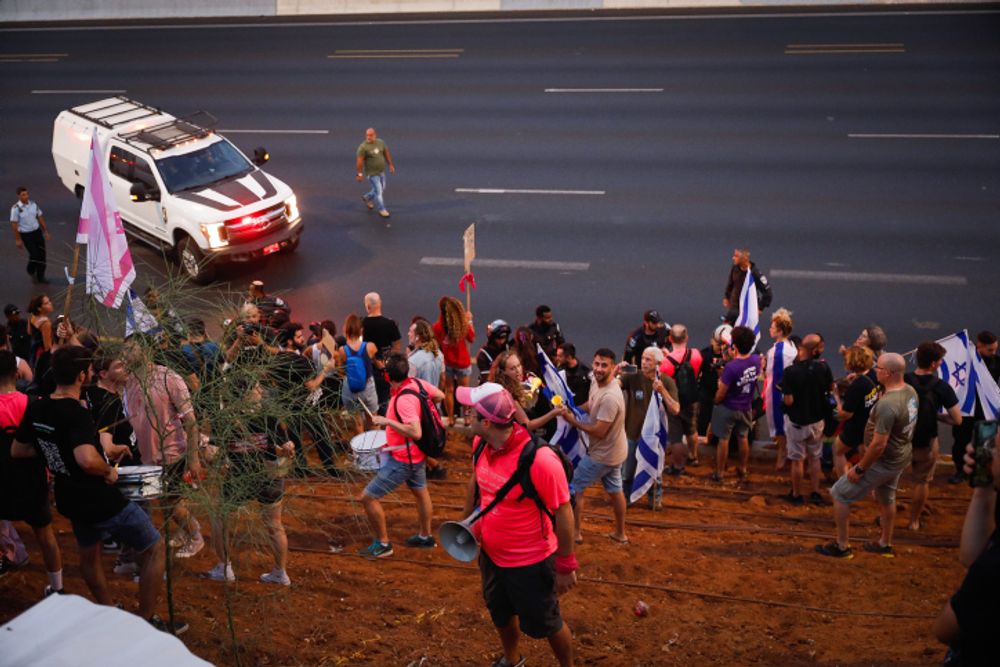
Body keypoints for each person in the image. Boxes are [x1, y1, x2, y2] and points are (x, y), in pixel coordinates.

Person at [11, 346, 183, 633]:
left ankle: (106, 612)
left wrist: (55, 454)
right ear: (82, 375)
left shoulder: (37, 406)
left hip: (69, 497)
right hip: (99, 498)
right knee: (154, 548)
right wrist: (108, 471)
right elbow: (87, 459)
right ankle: (146, 623)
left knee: (89, 555)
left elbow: (20, 449)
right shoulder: (74, 412)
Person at [458, 383, 576, 667]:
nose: (464, 414)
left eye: (470, 412)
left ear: (486, 421)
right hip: (491, 556)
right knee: (500, 613)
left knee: (547, 622)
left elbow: (564, 511)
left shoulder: (541, 461)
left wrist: (566, 564)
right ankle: (511, 660)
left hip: (530, 563)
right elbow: (477, 484)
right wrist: (466, 523)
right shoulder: (480, 445)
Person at [816, 353, 917, 559]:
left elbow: (879, 444)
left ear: (888, 373)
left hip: (882, 461)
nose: (875, 370)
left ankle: (842, 546)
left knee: (839, 494)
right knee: (887, 498)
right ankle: (884, 543)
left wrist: (860, 468)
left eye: (878, 368)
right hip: (900, 456)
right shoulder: (909, 391)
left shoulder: (887, 405)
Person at [122, 335, 205, 559]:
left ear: (147, 351)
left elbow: (190, 421)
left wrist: (193, 458)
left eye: (131, 349)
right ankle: (182, 532)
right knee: (161, 500)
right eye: (125, 349)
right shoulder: (128, 381)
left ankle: (195, 536)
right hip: (144, 454)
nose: (126, 354)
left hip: (171, 453)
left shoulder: (169, 378)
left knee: (169, 501)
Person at [205, 382, 296, 586]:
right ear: (244, 394)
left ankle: (225, 567)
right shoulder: (267, 416)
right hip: (263, 475)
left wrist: (289, 448)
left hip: (245, 476)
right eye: (255, 388)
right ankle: (280, 573)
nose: (261, 391)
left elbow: (285, 446)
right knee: (274, 525)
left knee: (221, 517)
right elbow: (213, 450)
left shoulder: (226, 418)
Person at [361, 352, 445, 558]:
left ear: (388, 377)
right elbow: (440, 396)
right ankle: (425, 536)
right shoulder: (418, 384)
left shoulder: (404, 400)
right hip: (418, 455)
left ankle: (383, 544)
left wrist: (387, 422)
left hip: (404, 460)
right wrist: (424, 408)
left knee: (368, 497)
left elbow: (415, 432)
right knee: (420, 492)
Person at [932, 435, 1000, 665]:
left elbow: (944, 630)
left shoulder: (991, 572)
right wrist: (984, 490)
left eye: (996, 450)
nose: (989, 457)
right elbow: (970, 556)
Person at [0, 350, 63, 594]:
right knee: (45, 535)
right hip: (31, 481)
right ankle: (57, 589)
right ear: (16, 374)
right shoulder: (34, 404)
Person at [563, 348, 629, 545]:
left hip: (603, 455)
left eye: (604, 365)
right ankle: (620, 533)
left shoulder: (610, 398)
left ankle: (575, 533)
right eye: (597, 364)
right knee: (615, 490)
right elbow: (591, 405)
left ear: (612, 368)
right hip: (616, 451)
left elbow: (599, 431)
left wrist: (572, 420)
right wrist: (574, 409)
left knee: (574, 487)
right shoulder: (595, 381)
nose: (599, 369)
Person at [903, 342, 961, 530]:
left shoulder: (903, 380)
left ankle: (886, 515)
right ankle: (914, 521)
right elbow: (957, 420)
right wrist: (937, 415)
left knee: (891, 478)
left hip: (901, 440)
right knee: (922, 481)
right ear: (934, 364)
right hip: (926, 442)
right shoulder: (942, 388)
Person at [778, 334, 836, 506]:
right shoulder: (824, 368)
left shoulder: (791, 372)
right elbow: (830, 389)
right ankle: (815, 492)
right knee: (815, 458)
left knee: (797, 460)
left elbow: (788, 401)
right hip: (817, 421)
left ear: (802, 349)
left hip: (797, 422)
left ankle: (796, 494)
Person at [620, 346, 680, 509]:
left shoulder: (666, 381)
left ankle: (655, 499)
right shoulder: (632, 374)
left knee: (655, 472)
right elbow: (615, 385)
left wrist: (662, 391)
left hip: (654, 436)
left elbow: (675, 409)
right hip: (632, 433)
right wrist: (616, 371)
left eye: (648, 360)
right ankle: (626, 498)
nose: (643, 363)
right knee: (627, 472)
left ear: (658, 363)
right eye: (643, 359)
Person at [711, 325, 761, 484]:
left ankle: (719, 473)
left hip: (728, 407)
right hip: (746, 406)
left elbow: (721, 392)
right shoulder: (756, 360)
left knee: (724, 440)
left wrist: (716, 400)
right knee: (743, 437)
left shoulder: (731, 368)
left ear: (735, 346)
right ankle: (743, 468)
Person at [948, 330, 999, 483]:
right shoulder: (965, 361)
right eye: (990, 350)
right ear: (979, 346)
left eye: (995, 349)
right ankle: (960, 470)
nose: (993, 352)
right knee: (960, 442)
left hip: (986, 412)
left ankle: (982, 471)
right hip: (966, 409)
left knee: (986, 443)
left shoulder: (997, 362)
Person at [658, 324, 702, 475]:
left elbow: (664, 381)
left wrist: (666, 356)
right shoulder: (696, 354)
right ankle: (693, 456)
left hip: (675, 400)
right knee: (692, 429)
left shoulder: (665, 362)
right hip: (692, 398)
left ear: (670, 339)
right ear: (686, 338)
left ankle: (677, 466)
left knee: (676, 436)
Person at [488, 350, 561, 438]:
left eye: (519, 366)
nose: (518, 371)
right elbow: (527, 425)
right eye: (512, 368)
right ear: (504, 372)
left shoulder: (523, 381)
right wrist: (553, 413)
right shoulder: (508, 395)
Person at [832, 345, 878, 478]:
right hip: (870, 422)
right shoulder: (873, 375)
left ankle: (843, 486)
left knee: (838, 450)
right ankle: (869, 486)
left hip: (856, 426)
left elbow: (845, 414)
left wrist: (836, 398)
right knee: (865, 454)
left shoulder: (857, 386)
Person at [763, 309, 797, 471]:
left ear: (780, 331)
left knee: (780, 423)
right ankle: (782, 446)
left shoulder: (779, 352)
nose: (770, 329)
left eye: (773, 327)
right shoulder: (789, 346)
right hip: (785, 391)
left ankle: (783, 450)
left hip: (778, 394)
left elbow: (777, 380)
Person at [433, 296, 474, 427]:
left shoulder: (437, 327)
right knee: (465, 390)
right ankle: (467, 418)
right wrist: (469, 322)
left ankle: (451, 417)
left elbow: (437, 343)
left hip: (448, 363)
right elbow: (472, 338)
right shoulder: (462, 325)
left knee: (449, 390)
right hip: (462, 363)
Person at [362, 292, 402, 414]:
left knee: (368, 406)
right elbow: (397, 346)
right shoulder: (390, 324)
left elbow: (359, 348)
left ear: (367, 306)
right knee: (384, 402)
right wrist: (386, 361)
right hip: (385, 369)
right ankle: (386, 430)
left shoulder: (362, 324)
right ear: (380, 304)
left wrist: (374, 360)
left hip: (366, 369)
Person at [9, 187, 50, 284]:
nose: (26, 196)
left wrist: (45, 231)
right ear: (18, 196)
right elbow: (14, 224)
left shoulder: (33, 204)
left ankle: (41, 277)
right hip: (26, 235)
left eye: (27, 194)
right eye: (23, 195)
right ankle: (30, 269)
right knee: (34, 255)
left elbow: (40, 217)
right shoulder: (15, 209)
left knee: (42, 256)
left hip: (37, 232)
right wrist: (17, 239)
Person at [722, 247, 772, 324]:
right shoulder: (735, 268)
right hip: (734, 308)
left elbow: (768, 293)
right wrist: (727, 296)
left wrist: (760, 308)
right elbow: (730, 283)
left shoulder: (755, 274)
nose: (733, 258)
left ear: (744, 258)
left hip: (748, 311)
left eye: (736, 256)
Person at [356, 127, 395, 218]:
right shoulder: (363, 147)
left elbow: (386, 153)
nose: (368, 137)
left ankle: (367, 197)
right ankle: (382, 209)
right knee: (379, 192)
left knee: (382, 188)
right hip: (372, 174)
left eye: (370, 135)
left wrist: (390, 165)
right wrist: (359, 174)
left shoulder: (380, 142)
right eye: (367, 135)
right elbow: (359, 162)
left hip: (381, 171)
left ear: (375, 135)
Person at [407, 318, 444, 389]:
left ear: (417, 337)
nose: (408, 334)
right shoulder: (439, 354)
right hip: (434, 397)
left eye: (410, 331)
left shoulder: (413, 360)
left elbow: (409, 386)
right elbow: (442, 379)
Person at [556, 343, 590, 407]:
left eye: (560, 356)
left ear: (569, 357)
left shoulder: (586, 371)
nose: (557, 358)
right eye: (557, 355)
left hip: (583, 410)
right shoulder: (559, 371)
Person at [477, 319, 511, 384]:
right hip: (492, 388)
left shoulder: (508, 347)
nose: (502, 341)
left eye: (504, 337)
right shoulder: (483, 355)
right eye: (499, 338)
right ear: (492, 338)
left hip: (509, 385)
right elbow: (488, 380)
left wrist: (523, 334)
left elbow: (522, 338)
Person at [26, 294, 54, 369]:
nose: (50, 303)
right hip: (41, 355)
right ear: (39, 308)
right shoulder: (45, 323)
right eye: (46, 303)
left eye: (49, 301)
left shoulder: (32, 315)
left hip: (33, 350)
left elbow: (29, 332)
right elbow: (47, 347)